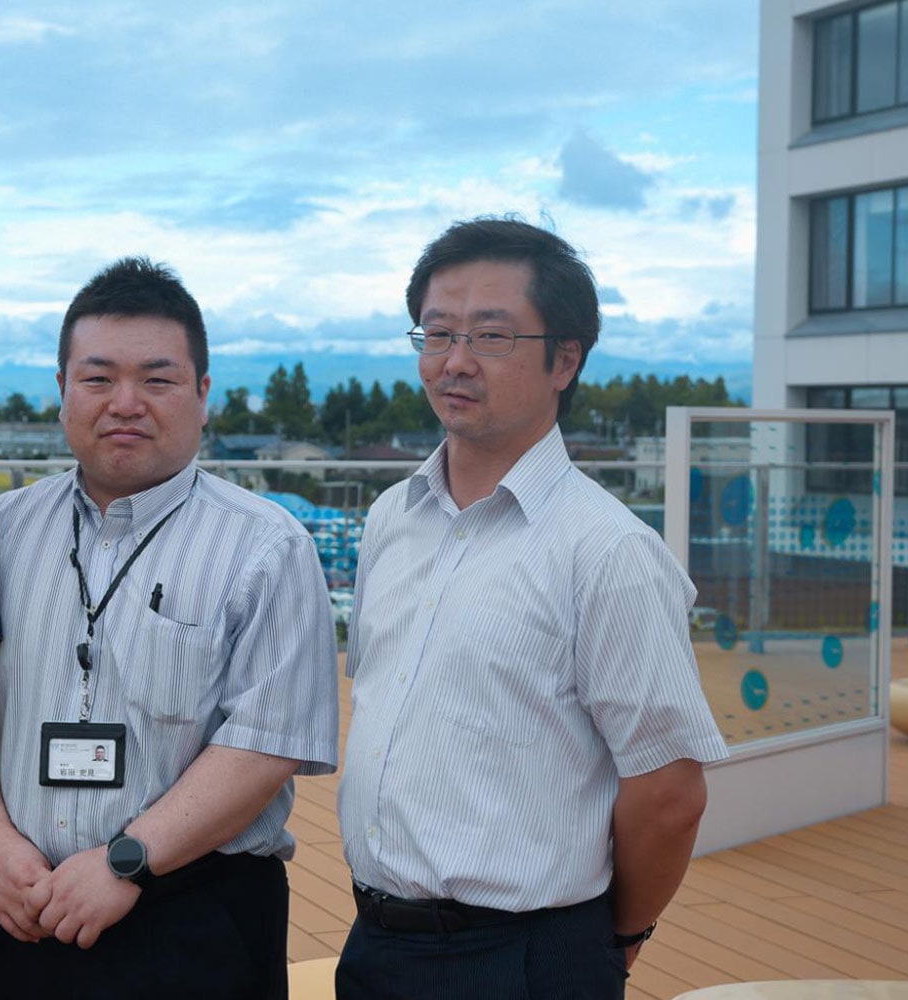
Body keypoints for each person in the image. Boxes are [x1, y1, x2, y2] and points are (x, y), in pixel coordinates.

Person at [334, 217, 729, 999]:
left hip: (521, 958)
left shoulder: (608, 551)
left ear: (565, 360)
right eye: (437, 333)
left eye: (492, 336)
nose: (455, 361)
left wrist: (614, 943)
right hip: (375, 943)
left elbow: (670, 795)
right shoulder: (390, 519)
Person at [0, 257, 339, 1000]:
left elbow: (267, 741)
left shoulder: (267, 546)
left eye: (157, 380)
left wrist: (126, 861)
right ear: (62, 390)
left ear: (203, 395)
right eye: (97, 378)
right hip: (31, 906)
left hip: (201, 917)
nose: (125, 403)